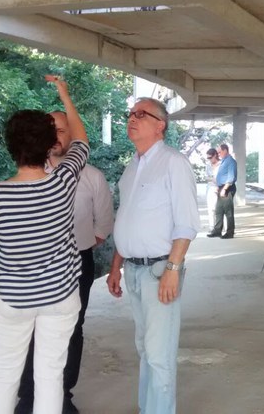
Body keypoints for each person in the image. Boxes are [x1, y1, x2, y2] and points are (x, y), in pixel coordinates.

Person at [0, 76, 89, 414]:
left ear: (11, 146)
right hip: (60, 296)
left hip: (14, 300)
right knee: (50, 376)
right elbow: (81, 140)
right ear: (50, 145)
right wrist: (64, 95)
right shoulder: (64, 182)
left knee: (4, 375)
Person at [15, 111, 115, 414]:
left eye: (62, 130)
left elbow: (103, 226)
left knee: (72, 329)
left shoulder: (92, 177)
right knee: (29, 327)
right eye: (51, 130)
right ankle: (28, 396)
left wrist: (77, 248)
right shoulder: (28, 171)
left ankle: (62, 394)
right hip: (34, 265)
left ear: (74, 136)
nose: (56, 136)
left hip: (77, 265)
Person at [106, 97, 200, 414]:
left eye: (141, 114)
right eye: (130, 113)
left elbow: (187, 223)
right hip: (132, 269)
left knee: (159, 354)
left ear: (160, 125)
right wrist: (116, 265)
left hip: (159, 269)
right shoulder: (133, 165)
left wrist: (173, 268)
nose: (132, 118)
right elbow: (127, 217)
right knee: (145, 349)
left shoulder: (174, 163)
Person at [207, 143, 237, 239]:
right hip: (221, 187)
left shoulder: (231, 161)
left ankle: (230, 232)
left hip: (227, 188)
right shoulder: (224, 161)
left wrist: (224, 189)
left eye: (219, 152)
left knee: (228, 212)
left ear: (225, 150)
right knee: (219, 210)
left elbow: (231, 177)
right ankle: (217, 230)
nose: (218, 154)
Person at [204, 148, 221, 232]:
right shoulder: (208, 165)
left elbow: (224, 177)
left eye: (210, 157)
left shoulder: (222, 164)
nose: (209, 160)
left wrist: (217, 182)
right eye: (208, 158)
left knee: (220, 209)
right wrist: (214, 179)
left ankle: (222, 227)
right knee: (211, 209)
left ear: (215, 155)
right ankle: (212, 227)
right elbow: (206, 177)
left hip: (221, 189)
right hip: (210, 188)